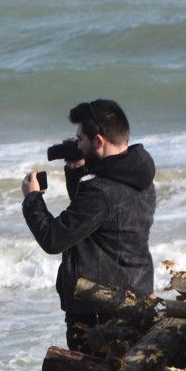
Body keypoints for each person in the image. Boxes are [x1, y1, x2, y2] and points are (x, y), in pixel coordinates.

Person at [21, 99, 156, 352]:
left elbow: (54, 239)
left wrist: (32, 198)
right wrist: (76, 168)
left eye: (80, 138)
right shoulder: (139, 177)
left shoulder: (101, 192)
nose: (77, 144)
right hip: (130, 295)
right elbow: (91, 219)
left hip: (97, 307)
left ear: (98, 141)